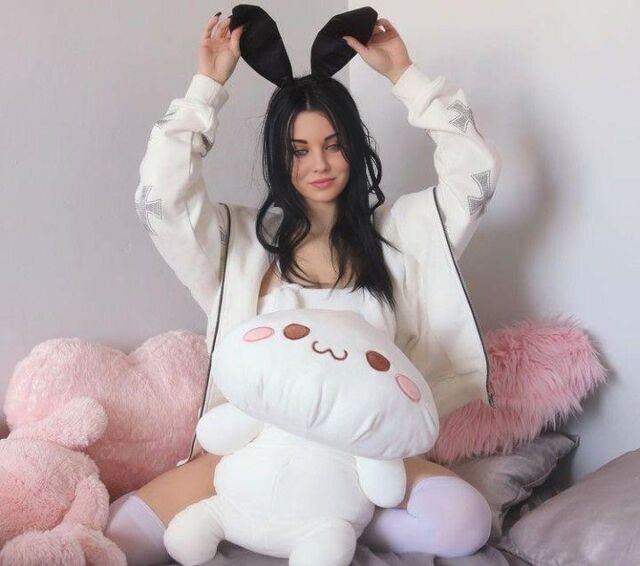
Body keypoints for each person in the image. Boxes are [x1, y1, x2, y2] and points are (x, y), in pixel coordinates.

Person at [107, 6, 501, 564]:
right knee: (118, 537)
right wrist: (207, 89)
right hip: (258, 445)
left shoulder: (405, 237)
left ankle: (331, 518)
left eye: (333, 144)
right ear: (279, 157)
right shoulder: (238, 244)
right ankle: (273, 516)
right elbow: (160, 200)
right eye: (299, 150)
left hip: (364, 454)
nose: (319, 164)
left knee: (465, 522)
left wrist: (404, 75)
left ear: (355, 148)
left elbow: (476, 175)